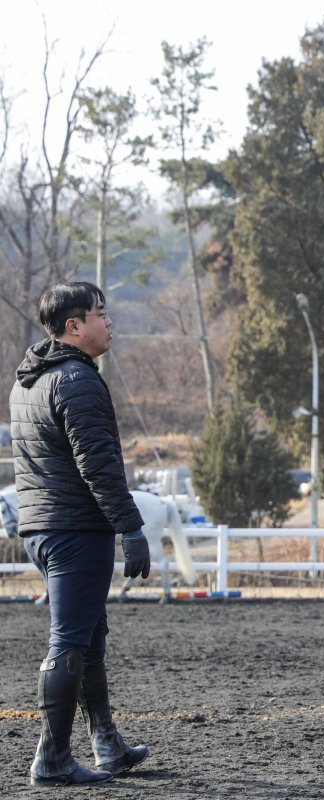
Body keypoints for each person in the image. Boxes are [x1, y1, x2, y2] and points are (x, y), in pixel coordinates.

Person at [9, 282, 152, 786]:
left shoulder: (27, 381)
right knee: (68, 641)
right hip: (75, 530)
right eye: (99, 313)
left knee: (89, 638)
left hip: (43, 528)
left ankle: (107, 744)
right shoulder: (76, 380)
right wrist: (131, 526)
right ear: (75, 326)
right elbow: (100, 465)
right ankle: (52, 760)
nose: (108, 322)